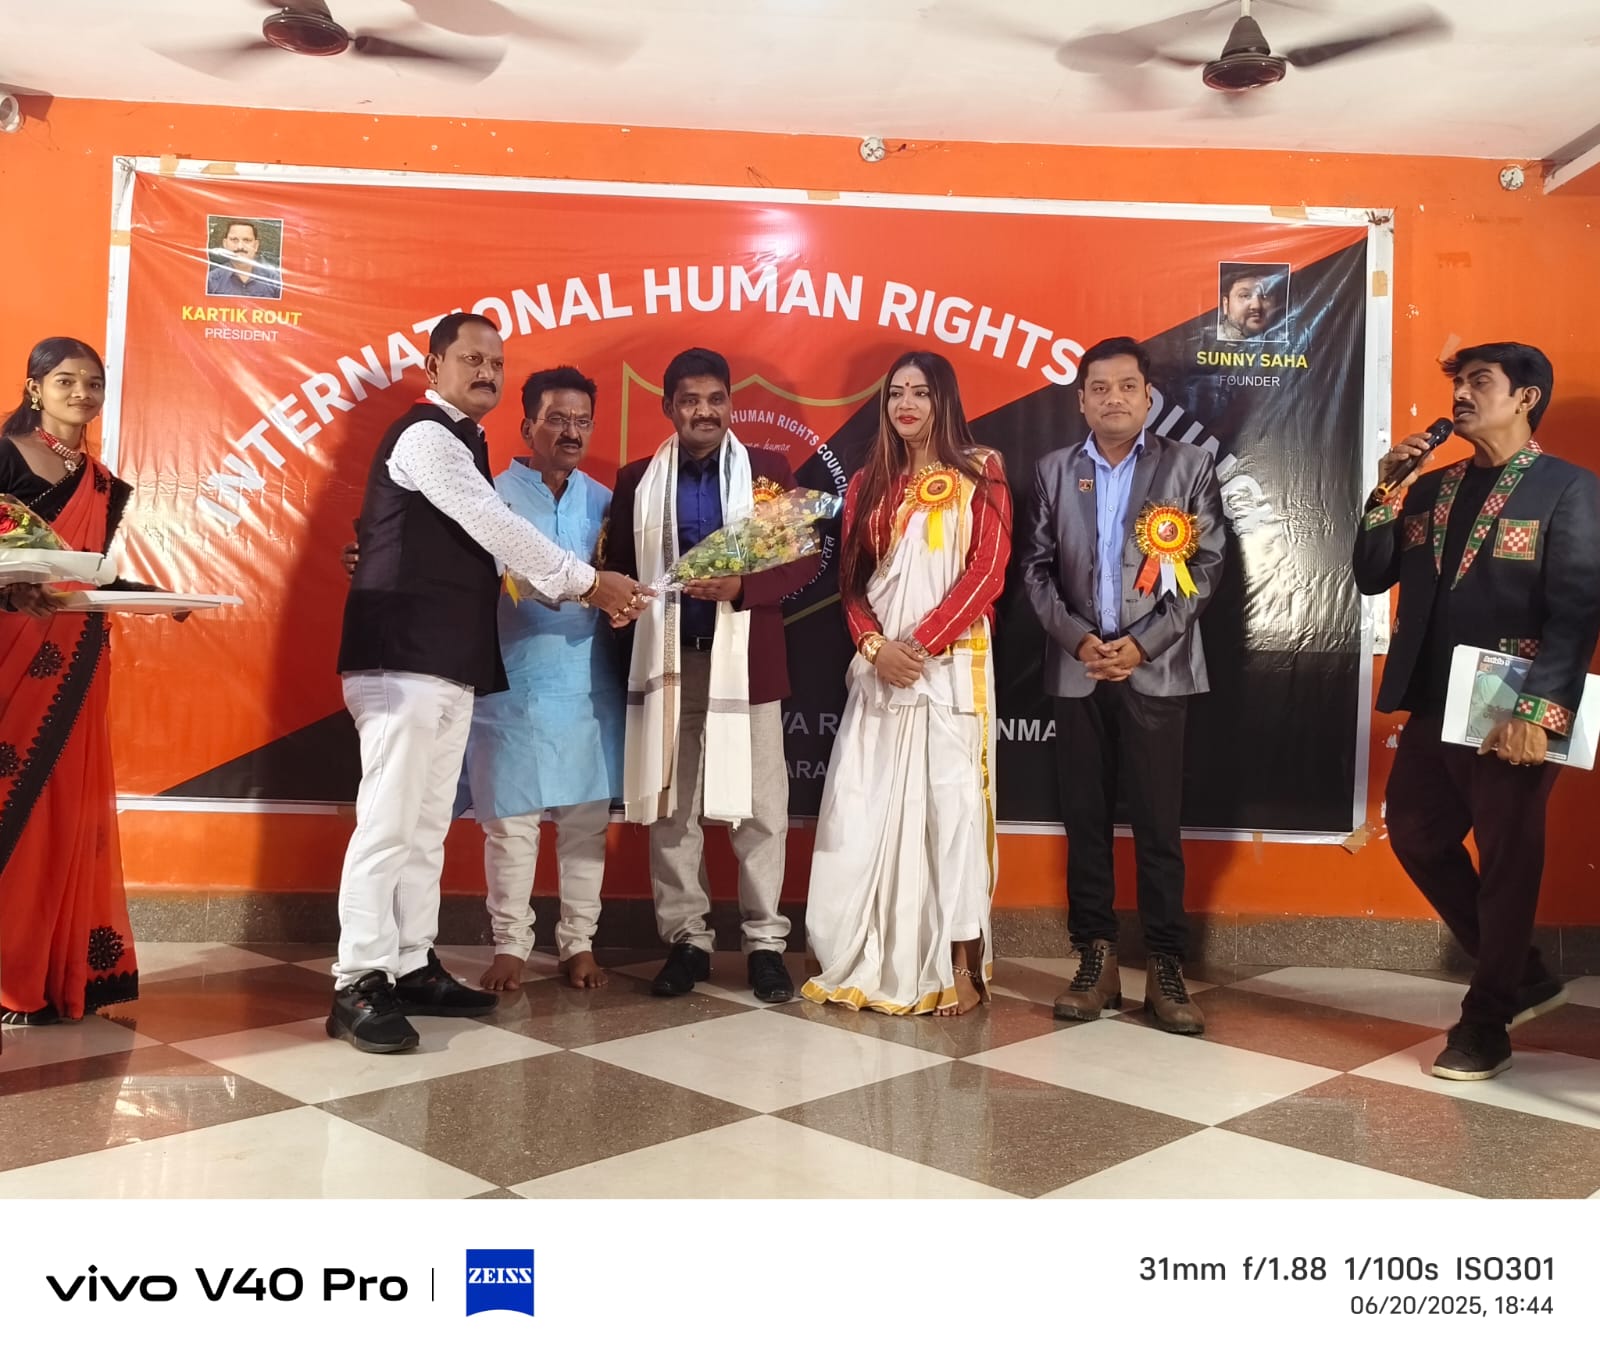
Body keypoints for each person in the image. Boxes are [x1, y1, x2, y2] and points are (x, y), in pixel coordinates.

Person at [330, 313, 647, 1053]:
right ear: (432, 366)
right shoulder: (426, 436)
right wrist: (588, 582)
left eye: (496, 363)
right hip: (401, 657)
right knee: (388, 824)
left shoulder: (465, 442)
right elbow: (493, 525)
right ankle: (357, 979)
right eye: (470, 359)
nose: (486, 372)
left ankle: (412, 963)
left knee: (426, 828)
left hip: (448, 663)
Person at [1354, 341, 1600, 1082]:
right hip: (1435, 703)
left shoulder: (1568, 489)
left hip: (1512, 707)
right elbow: (1371, 575)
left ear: (1525, 397)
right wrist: (1385, 492)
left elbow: (1577, 609)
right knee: (1416, 834)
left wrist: (1539, 711)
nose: (1461, 394)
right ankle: (1520, 972)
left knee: (1507, 860)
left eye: (1479, 382)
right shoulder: (1431, 487)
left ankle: (1487, 1020)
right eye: (1457, 382)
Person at [1021, 335, 1225, 1034]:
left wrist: (1141, 644)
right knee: (1085, 821)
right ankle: (1096, 958)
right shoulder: (1053, 470)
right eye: (1099, 388)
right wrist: (1078, 639)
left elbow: (1206, 567)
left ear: (1149, 396)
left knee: (1158, 825)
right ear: (1080, 400)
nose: (1114, 398)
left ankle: (1166, 965)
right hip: (1077, 668)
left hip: (1157, 668)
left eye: (1127, 386)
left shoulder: (1189, 466)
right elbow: (1035, 569)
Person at [603, 347, 818, 1003]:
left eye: (716, 398)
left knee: (761, 811)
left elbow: (804, 559)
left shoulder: (768, 471)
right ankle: (687, 941)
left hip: (747, 664)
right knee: (672, 809)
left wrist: (744, 586)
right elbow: (620, 566)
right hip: (667, 664)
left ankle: (765, 944)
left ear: (731, 402)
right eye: (690, 400)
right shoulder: (637, 479)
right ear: (668, 407)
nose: (705, 411)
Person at [801, 352, 1010, 1016]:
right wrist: (877, 648)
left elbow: (989, 569)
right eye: (896, 393)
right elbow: (852, 586)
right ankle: (860, 947)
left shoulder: (980, 468)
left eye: (921, 392)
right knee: (862, 809)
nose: (907, 405)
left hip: (949, 675)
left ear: (944, 399)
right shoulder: (869, 482)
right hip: (881, 675)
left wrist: (919, 646)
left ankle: (959, 964)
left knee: (953, 815)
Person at [0, 337, 169, 1025]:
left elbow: (89, 572)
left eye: (93, 383)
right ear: (35, 387)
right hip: (11, 650)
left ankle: (50, 971)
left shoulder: (106, 485)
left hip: (74, 658)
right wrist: (12, 591)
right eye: (66, 380)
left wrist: (159, 598)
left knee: (63, 810)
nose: (81, 393)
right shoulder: (5, 457)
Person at [466, 366, 624, 993]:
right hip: (513, 680)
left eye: (582, 421)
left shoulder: (606, 502)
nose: (570, 432)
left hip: (589, 683)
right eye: (556, 419)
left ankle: (578, 941)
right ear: (527, 425)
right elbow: (485, 575)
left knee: (586, 823)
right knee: (511, 823)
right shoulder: (490, 496)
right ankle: (510, 943)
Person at [204, 219, 282, 299]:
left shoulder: (275, 281)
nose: (240, 246)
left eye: (247, 240)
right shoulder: (210, 281)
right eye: (234, 240)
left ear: (256, 245)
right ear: (225, 244)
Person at [1216, 264, 1284, 342]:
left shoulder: (1286, 339)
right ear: (1226, 304)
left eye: (1265, 295)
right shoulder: (1209, 341)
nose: (1256, 306)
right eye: (1245, 296)